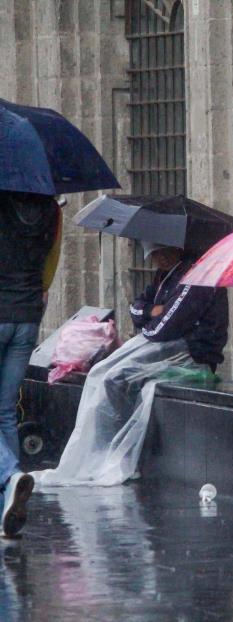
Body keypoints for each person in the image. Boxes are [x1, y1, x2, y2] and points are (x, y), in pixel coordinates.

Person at [33, 241, 229, 487]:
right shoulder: (164, 277)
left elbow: (164, 328)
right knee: (100, 373)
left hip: (191, 353)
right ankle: (99, 453)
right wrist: (151, 312)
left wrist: (151, 317)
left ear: (176, 248)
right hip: (166, 345)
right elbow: (135, 309)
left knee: (117, 378)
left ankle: (117, 454)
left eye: (162, 253)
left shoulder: (197, 277)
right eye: (155, 255)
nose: (159, 259)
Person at [0, 191, 61, 536]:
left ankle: (9, 475)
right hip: (26, 317)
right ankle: (6, 504)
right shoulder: (51, 210)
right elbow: (49, 269)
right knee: (5, 412)